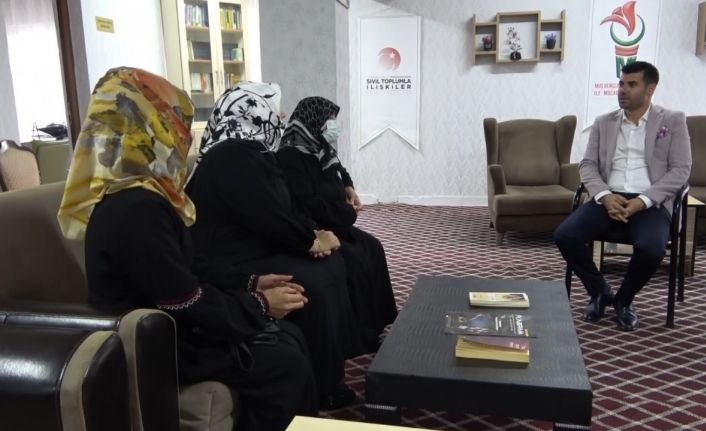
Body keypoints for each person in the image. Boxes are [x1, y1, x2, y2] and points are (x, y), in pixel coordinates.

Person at [57, 67, 317, 431]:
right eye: (174, 121)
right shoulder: (137, 209)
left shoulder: (138, 196)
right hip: (156, 345)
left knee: (289, 339)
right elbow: (184, 301)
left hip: (169, 328)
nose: (185, 135)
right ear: (149, 128)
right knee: (284, 364)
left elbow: (185, 267)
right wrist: (259, 305)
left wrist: (250, 283)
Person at [185, 82, 360, 409]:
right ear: (252, 112)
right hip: (231, 257)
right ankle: (323, 386)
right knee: (314, 283)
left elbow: (285, 206)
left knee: (333, 265)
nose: (280, 116)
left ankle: (332, 369)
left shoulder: (256, 152)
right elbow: (266, 214)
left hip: (255, 245)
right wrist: (309, 241)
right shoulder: (231, 155)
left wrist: (313, 235)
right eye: (274, 109)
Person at [554, 61, 692, 331]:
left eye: (631, 84)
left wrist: (643, 200)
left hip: (650, 203)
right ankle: (600, 291)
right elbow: (588, 165)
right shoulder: (603, 122)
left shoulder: (672, 121)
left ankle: (624, 300)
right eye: (621, 83)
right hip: (608, 198)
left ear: (650, 89)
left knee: (651, 249)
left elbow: (681, 170)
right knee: (565, 236)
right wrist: (605, 196)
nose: (622, 90)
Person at [276, 96, 398, 351]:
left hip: (336, 220)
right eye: (329, 120)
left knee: (373, 246)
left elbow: (340, 170)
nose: (333, 125)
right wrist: (345, 213)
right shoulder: (291, 155)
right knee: (354, 260)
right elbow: (307, 201)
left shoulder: (319, 146)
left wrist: (348, 187)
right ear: (314, 120)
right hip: (317, 225)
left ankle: (378, 322)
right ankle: (358, 335)